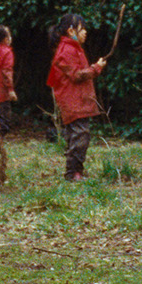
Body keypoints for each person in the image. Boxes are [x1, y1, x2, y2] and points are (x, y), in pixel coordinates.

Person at [46, 13, 105, 182]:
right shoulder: (67, 50)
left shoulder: (73, 48)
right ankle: (72, 173)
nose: (85, 32)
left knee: (77, 136)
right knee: (80, 136)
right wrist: (96, 68)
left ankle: (76, 171)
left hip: (77, 100)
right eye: (82, 28)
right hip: (73, 101)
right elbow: (77, 75)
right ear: (71, 30)